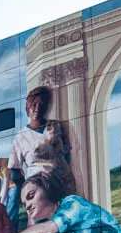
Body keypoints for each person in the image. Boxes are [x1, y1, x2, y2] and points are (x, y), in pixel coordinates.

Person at [7, 86, 73, 224]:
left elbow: (67, 153)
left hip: (64, 188)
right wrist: (28, 189)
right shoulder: (21, 137)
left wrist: (62, 172)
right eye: (34, 104)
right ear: (27, 107)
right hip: (40, 195)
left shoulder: (56, 126)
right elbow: (14, 171)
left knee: (68, 227)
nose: (37, 108)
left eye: (42, 104)